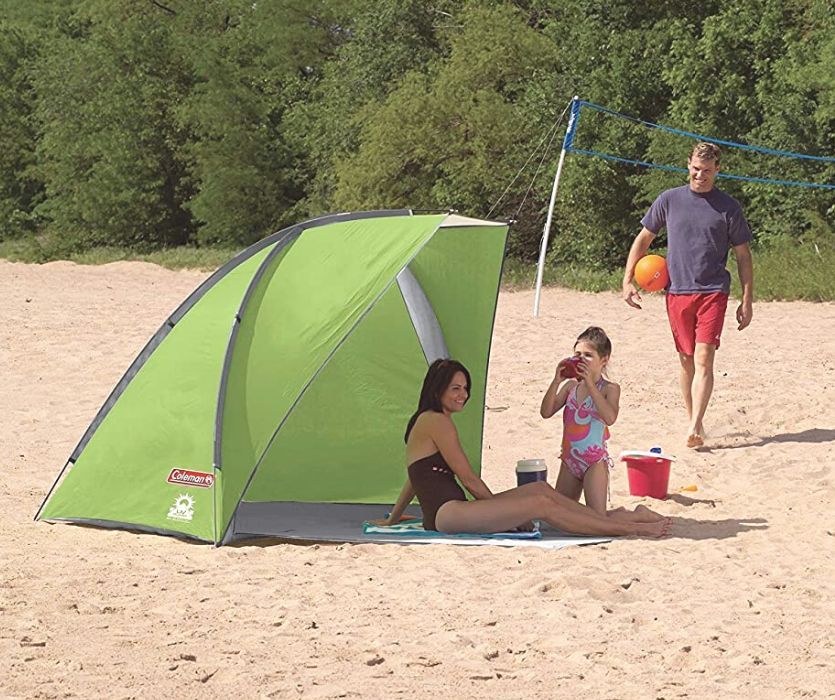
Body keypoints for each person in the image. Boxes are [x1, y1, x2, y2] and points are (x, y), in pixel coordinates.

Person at [370, 359, 670, 538]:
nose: (464, 395)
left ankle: (623, 518)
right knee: (540, 505)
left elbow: (414, 476)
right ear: (437, 390)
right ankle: (632, 528)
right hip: (448, 515)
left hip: (449, 511)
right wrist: (513, 519)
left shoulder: (425, 421)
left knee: (541, 492)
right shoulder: (437, 422)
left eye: (465, 388)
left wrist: (393, 518)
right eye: (456, 389)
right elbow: (470, 480)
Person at [622, 142, 754, 448]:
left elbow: (743, 256)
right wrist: (627, 279)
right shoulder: (669, 200)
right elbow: (643, 239)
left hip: (713, 292)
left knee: (704, 357)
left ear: (717, 170)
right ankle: (694, 418)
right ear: (688, 165)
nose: (700, 175)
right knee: (686, 360)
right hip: (677, 291)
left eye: (707, 171)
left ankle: (694, 426)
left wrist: (747, 299)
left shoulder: (728, 207)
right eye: (696, 169)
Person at [540, 326, 653, 524]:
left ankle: (638, 514)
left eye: (588, 355)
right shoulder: (570, 387)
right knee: (559, 517)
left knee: (597, 519)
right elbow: (546, 412)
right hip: (569, 461)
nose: (581, 359)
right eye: (577, 354)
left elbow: (610, 417)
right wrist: (556, 381)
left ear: (604, 359)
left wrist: (591, 385)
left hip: (594, 462)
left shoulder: (610, 389)